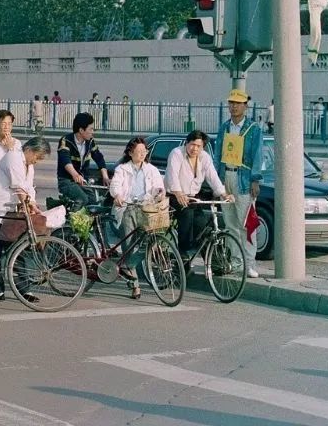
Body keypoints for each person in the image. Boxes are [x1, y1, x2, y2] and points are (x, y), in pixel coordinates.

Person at [0, 136, 50, 301]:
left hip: (10, 212)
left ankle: (25, 290)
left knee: (20, 250)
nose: (37, 161)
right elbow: (18, 187)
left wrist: (32, 203)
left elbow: (29, 187)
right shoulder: (13, 157)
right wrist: (28, 204)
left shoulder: (28, 165)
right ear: (29, 150)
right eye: (37, 157)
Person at [214, 89, 263, 279]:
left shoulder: (254, 129)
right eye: (231, 103)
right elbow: (218, 155)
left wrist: (255, 179)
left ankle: (250, 264)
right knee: (230, 224)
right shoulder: (224, 127)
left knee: (247, 224)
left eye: (237, 103)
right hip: (227, 177)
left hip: (244, 179)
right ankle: (236, 262)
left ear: (245, 106)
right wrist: (217, 182)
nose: (233, 106)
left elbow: (257, 155)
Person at [109, 137, 165, 300]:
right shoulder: (122, 169)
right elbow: (115, 185)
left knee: (150, 242)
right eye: (138, 152)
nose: (142, 154)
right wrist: (118, 195)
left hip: (147, 209)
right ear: (130, 153)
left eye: (144, 152)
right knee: (129, 246)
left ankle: (127, 266)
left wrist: (160, 193)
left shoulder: (151, 170)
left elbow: (159, 186)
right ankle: (135, 286)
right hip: (128, 208)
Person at [165, 130, 233, 262]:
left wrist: (223, 194)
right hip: (174, 195)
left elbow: (212, 176)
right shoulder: (177, 153)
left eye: (198, 146)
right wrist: (178, 193)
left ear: (203, 147)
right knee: (186, 215)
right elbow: (172, 175)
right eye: (192, 144)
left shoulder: (204, 157)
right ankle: (183, 251)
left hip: (193, 197)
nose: (194, 148)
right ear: (187, 143)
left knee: (202, 222)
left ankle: (210, 258)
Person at [56, 112, 111, 205]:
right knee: (82, 199)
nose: (92, 132)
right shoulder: (66, 141)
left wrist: (105, 176)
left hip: (82, 180)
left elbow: (99, 158)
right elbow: (65, 160)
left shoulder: (90, 142)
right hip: (66, 180)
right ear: (81, 130)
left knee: (93, 201)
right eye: (91, 129)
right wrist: (75, 175)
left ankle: (87, 219)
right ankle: (72, 218)